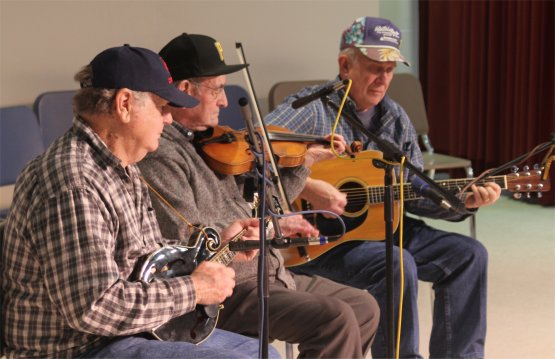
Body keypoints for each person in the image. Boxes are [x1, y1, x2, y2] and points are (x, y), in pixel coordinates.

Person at [0, 44, 277, 359]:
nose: (170, 119)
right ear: (125, 103)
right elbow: (94, 307)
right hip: (76, 349)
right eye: (162, 107)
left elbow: (147, 263)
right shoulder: (74, 182)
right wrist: (195, 289)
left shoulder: (121, 165)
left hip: (126, 335)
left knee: (263, 353)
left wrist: (218, 249)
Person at [265, 16, 502, 359]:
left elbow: (415, 193)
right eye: (376, 68)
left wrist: (461, 200)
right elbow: (257, 151)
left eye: (390, 70)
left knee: (469, 255)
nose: (384, 79)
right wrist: (310, 184)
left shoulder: (395, 118)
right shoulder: (311, 109)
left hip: (384, 226)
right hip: (320, 240)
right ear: (345, 65)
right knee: (397, 262)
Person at [138, 33, 380, 359]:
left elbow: (264, 206)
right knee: (333, 319)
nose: (224, 101)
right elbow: (186, 238)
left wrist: (302, 164)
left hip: (272, 274)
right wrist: (254, 228)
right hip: (230, 288)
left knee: (363, 306)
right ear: (185, 91)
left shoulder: (213, 143)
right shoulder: (161, 153)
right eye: (217, 89)